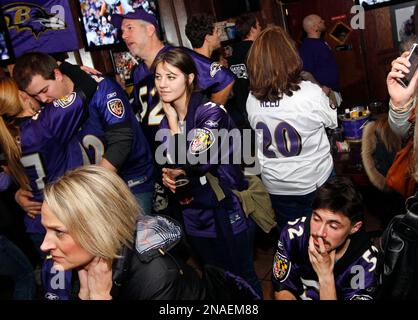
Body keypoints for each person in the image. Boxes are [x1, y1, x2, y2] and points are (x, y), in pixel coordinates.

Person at [154, 48, 261, 297]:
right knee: (214, 277)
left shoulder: (211, 111)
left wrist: (172, 121)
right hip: (194, 214)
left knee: (242, 277)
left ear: (190, 78)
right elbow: (172, 163)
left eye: (171, 77)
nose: (163, 84)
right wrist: (168, 177)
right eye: (158, 77)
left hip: (227, 208)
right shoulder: (163, 122)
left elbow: (194, 159)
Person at [12, 52, 155, 215]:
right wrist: (20, 194)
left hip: (131, 180)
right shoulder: (47, 106)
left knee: (133, 238)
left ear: (57, 74)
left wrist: (91, 186)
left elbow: (121, 141)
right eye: (35, 95)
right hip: (92, 190)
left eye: (44, 90)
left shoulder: (101, 87)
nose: (43, 99)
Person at [39, 164, 204, 300]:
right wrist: (83, 295)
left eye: (59, 232)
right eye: (45, 230)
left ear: (99, 229)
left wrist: (99, 297)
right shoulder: (60, 265)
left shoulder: (157, 277)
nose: (44, 246)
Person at [246, 26, 337, 230]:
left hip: (277, 185)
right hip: (314, 180)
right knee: (326, 238)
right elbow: (333, 121)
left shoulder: (251, 98)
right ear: (290, 55)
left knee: (293, 240)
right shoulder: (309, 93)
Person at [110, 8, 235, 151]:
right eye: (122, 31)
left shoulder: (178, 57)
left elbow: (225, 79)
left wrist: (206, 123)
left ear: (150, 29)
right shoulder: (138, 72)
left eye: (129, 28)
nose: (124, 35)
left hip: (191, 155)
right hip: (162, 157)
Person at [273, 177, 379, 300]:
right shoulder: (292, 236)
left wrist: (326, 277)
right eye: (316, 219)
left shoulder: (365, 263)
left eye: (333, 226)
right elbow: (282, 288)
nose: (319, 232)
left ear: (354, 228)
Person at [226, 13, 262, 129]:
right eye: (258, 25)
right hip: (260, 105)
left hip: (242, 105)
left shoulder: (233, 52)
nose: (261, 27)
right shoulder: (257, 50)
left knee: (251, 142)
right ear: (252, 29)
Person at [299, 14, 342, 107]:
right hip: (323, 94)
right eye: (320, 21)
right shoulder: (308, 47)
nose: (323, 21)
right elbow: (304, 73)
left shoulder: (320, 41)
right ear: (315, 27)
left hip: (332, 91)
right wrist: (320, 88)